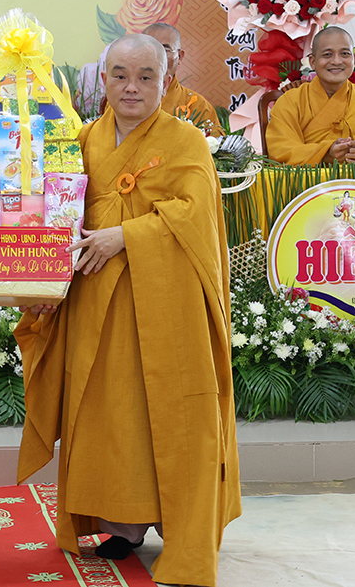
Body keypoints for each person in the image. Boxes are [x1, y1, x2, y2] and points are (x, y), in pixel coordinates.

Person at [16, 33, 241, 587]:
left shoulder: (186, 141)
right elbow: (55, 211)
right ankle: (121, 522)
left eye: (146, 76)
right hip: (97, 301)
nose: (132, 87)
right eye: (120, 75)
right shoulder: (85, 139)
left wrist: (126, 235)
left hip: (167, 305)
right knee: (108, 410)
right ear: (104, 80)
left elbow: (196, 217)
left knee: (171, 411)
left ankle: (182, 528)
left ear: (166, 81)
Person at [266, 25, 355, 165]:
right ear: (312, 62)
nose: (337, 61)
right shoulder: (290, 101)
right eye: (327, 54)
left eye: (345, 54)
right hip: (308, 179)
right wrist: (325, 154)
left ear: (354, 60)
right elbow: (280, 149)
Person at [142, 22, 224, 136]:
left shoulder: (196, 105)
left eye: (165, 50)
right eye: (149, 49)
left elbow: (214, 145)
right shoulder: (123, 98)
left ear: (179, 56)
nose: (156, 56)